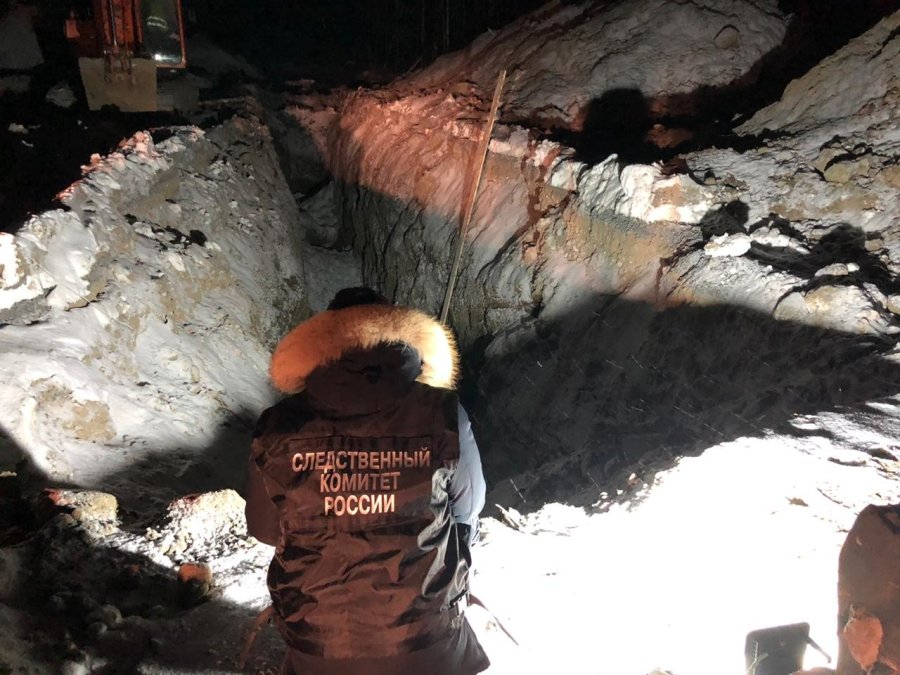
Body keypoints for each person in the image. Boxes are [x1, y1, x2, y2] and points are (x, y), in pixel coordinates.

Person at [244, 287, 490, 675]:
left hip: (319, 641)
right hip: (426, 639)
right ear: (400, 335)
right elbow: (468, 507)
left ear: (319, 346)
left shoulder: (279, 424)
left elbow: (264, 528)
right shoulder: (441, 412)